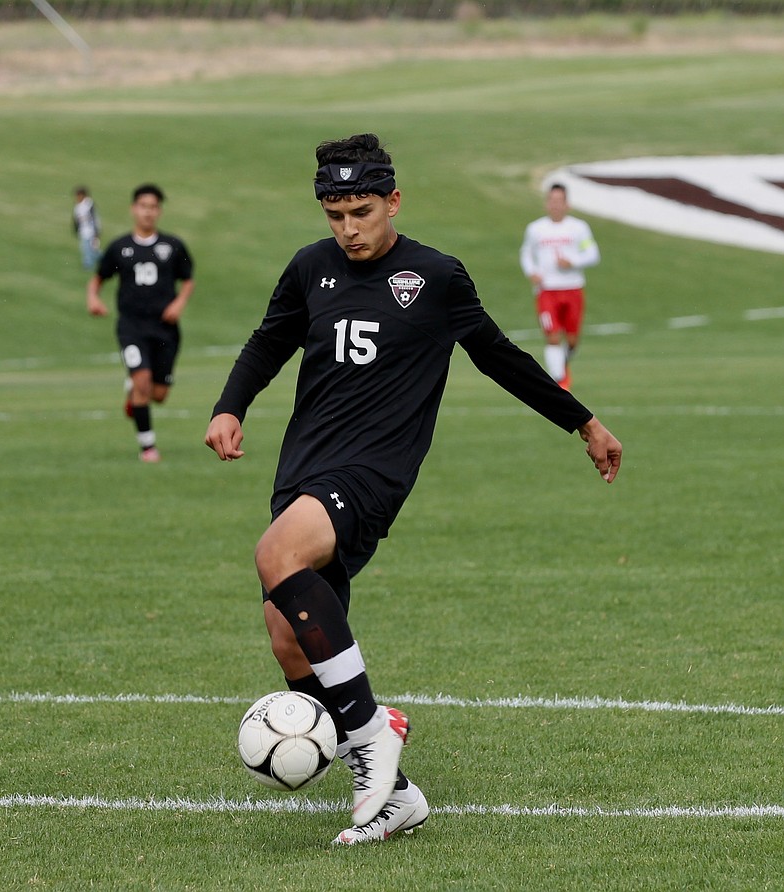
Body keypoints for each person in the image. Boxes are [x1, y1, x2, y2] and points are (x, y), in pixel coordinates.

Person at [205, 134, 622, 845]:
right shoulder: (311, 268)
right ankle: (396, 797)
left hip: (373, 472)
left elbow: (497, 356)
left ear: (393, 201)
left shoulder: (434, 276)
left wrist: (582, 422)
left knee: (275, 557)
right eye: (335, 215)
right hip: (303, 469)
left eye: (361, 212)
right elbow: (268, 342)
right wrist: (229, 405)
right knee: (288, 636)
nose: (348, 229)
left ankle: (370, 734)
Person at [87, 183, 195, 463]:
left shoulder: (172, 246)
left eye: (153, 207)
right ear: (134, 209)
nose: (148, 212)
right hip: (132, 327)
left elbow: (188, 279)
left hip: (165, 329)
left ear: (159, 211)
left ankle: (132, 391)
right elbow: (98, 278)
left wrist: (179, 302)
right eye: (143, 206)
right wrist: (93, 299)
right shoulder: (120, 247)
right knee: (143, 383)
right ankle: (148, 447)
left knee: (158, 394)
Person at [519, 182, 600, 389]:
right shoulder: (536, 229)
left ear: (567, 204)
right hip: (546, 290)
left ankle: (561, 367)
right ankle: (559, 382)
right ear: (547, 204)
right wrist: (532, 272)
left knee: (571, 341)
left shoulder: (578, 228)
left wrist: (572, 262)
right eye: (552, 201)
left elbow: (592, 254)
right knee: (553, 336)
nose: (555, 205)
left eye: (559, 201)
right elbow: (526, 253)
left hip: (572, 288)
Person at [72, 186, 101, 272]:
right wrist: (76, 229)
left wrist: (96, 232)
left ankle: (87, 265)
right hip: (83, 231)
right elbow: (76, 219)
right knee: (88, 249)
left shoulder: (89, 205)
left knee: (89, 249)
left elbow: (94, 219)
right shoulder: (78, 206)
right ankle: (104, 259)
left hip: (91, 231)